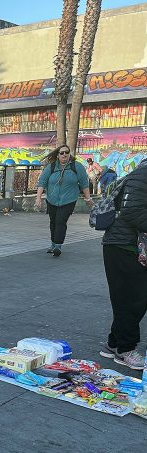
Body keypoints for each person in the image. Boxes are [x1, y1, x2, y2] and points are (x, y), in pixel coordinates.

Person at [99, 158, 147, 370]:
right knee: (133, 298)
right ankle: (125, 348)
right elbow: (131, 211)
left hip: (129, 245)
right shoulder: (142, 175)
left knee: (130, 297)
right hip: (122, 245)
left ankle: (114, 342)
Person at [35, 145, 93, 257]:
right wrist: (38, 198)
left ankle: (58, 246)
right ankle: (53, 244)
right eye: (62, 153)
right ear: (58, 155)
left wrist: (88, 198)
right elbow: (42, 182)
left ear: (69, 154)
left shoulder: (77, 166)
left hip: (69, 200)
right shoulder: (51, 167)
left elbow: (84, 183)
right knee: (53, 221)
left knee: (61, 220)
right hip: (52, 200)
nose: (64, 154)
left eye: (67, 152)